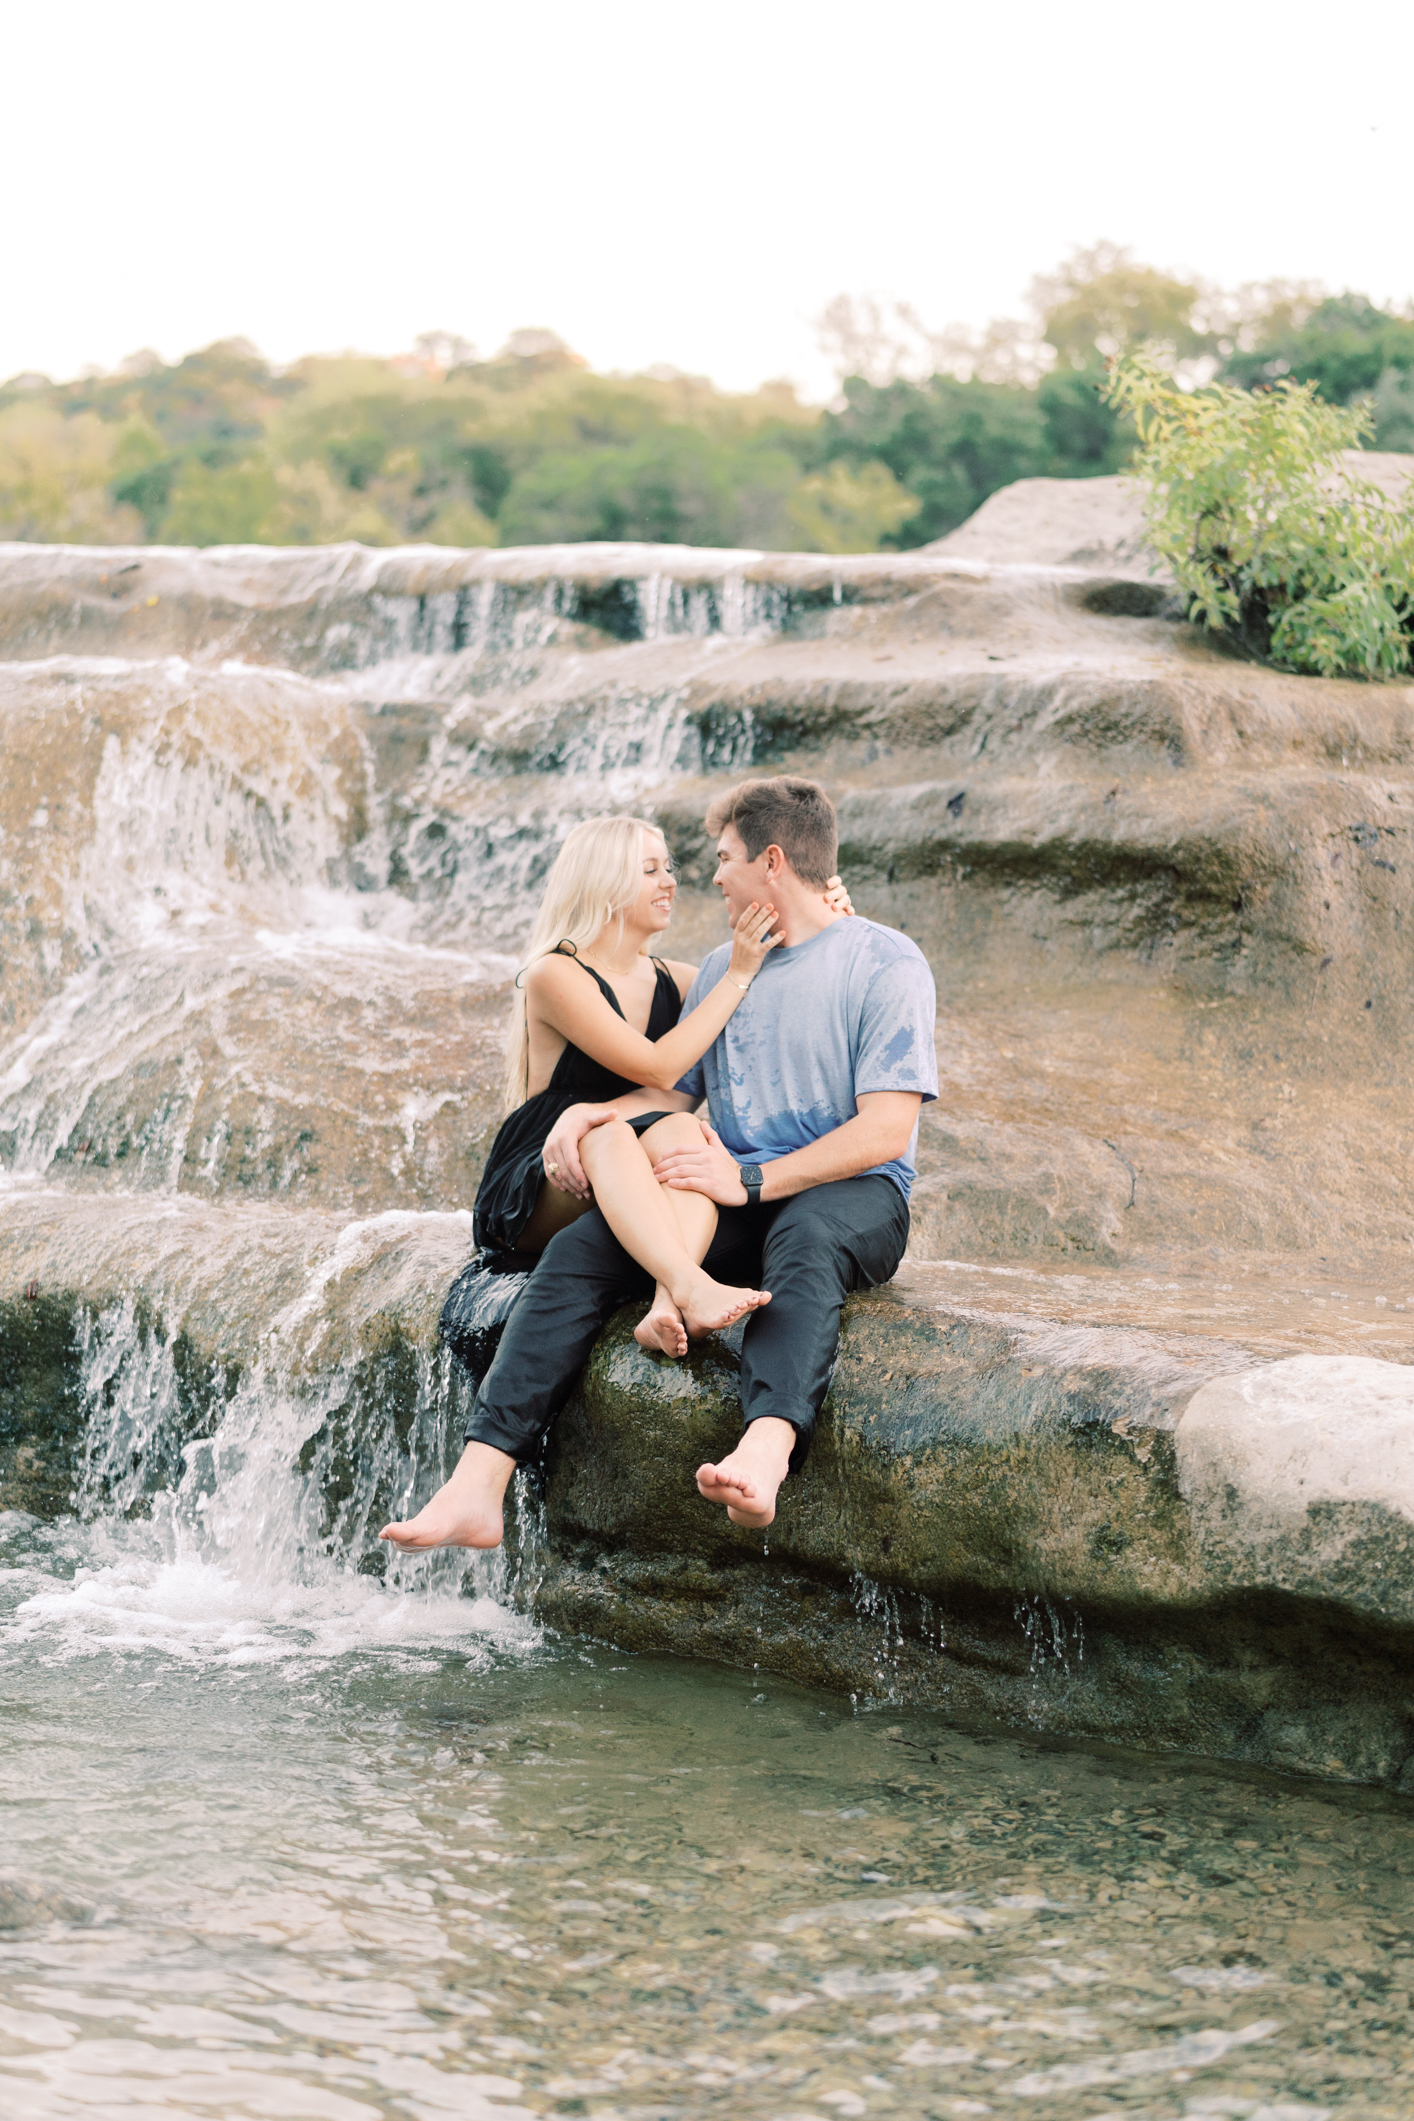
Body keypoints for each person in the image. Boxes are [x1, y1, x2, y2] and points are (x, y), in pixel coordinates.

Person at [380, 775, 936, 1555]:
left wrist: (749, 1180)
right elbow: (672, 1092)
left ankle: (765, 1449)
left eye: (722, 859)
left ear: (772, 862)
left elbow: (885, 1131)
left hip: (852, 1194)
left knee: (803, 1241)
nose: (707, 876)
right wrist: (584, 1114)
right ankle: (478, 1480)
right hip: (737, 1188)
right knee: (581, 1249)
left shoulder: (885, 961)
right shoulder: (718, 971)